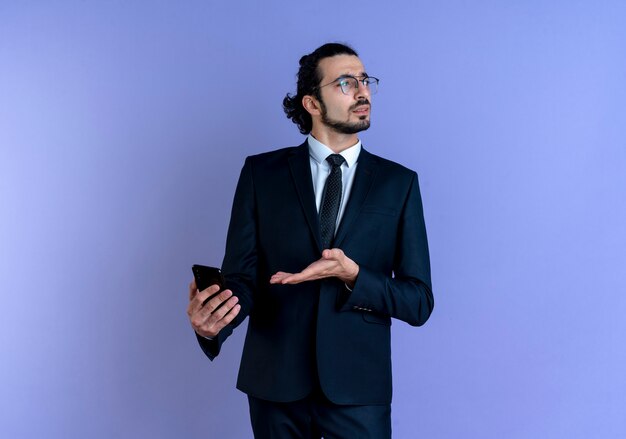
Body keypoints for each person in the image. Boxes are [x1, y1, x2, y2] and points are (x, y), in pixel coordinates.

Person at [187, 42, 433, 438]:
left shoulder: (399, 184)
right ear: (312, 104)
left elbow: (419, 301)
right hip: (274, 385)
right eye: (345, 83)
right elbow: (242, 280)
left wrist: (353, 275)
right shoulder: (260, 174)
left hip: (358, 389)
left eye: (365, 80)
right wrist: (211, 325)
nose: (362, 91)